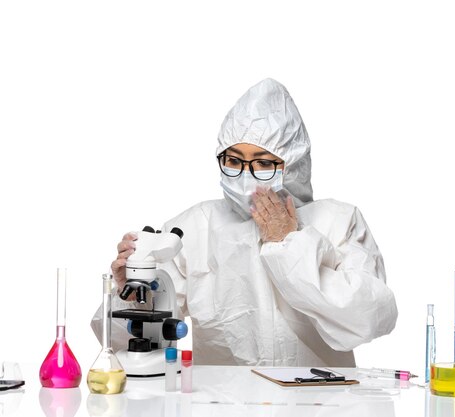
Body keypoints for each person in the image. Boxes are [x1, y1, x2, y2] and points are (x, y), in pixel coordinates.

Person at [93, 78, 398, 366]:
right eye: (234, 161)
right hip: (222, 402)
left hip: (319, 401)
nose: (246, 176)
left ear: (292, 164)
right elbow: (136, 340)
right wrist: (131, 292)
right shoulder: (194, 227)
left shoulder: (338, 221)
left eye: (264, 163)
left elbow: (368, 320)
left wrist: (289, 245)